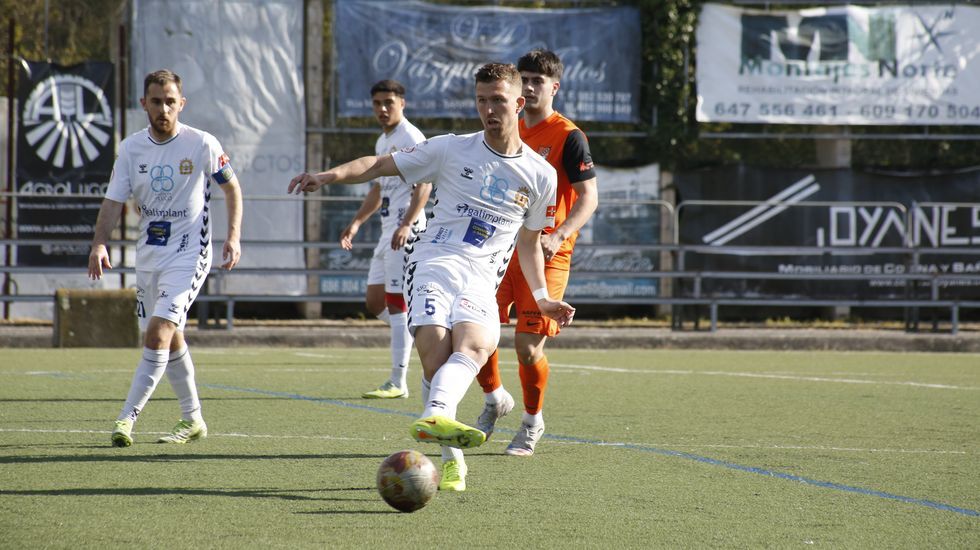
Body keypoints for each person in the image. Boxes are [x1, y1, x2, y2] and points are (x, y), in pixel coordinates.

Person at [289, 63, 574, 491]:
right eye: (481, 100)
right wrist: (327, 176)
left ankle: (438, 413)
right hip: (434, 261)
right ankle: (451, 455)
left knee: (476, 346)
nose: (489, 109)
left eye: (498, 100)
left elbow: (530, 243)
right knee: (435, 355)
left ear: (518, 102)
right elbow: (377, 165)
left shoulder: (541, 175)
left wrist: (541, 297)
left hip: (482, 276)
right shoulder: (450, 148)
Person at [88, 69, 243, 447]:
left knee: (158, 333)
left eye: (170, 101)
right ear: (144, 104)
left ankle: (125, 419)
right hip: (150, 255)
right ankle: (193, 420)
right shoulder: (130, 149)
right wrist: (99, 243)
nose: (163, 109)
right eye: (156, 101)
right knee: (170, 337)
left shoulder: (201, 144)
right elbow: (112, 202)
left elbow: (232, 187)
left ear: (181, 104)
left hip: (191, 254)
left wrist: (233, 236)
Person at [475, 50, 598, 457]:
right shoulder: (506, 128)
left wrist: (559, 234)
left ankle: (532, 422)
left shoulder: (568, 136)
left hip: (545, 254)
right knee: (475, 332)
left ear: (554, 87)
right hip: (499, 249)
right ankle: (494, 399)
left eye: (538, 81)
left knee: (527, 348)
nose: (529, 87)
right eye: (524, 79)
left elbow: (589, 198)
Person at [340, 80, 431, 400]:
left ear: (402, 103)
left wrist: (407, 224)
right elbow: (378, 188)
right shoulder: (384, 141)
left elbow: (424, 186)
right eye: (377, 103)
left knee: (396, 302)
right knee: (375, 302)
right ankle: (419, 337)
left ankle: (398, 380)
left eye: (388, 102)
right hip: (386, 231)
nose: (382, 109)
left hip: (404, 231)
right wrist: (355, 223)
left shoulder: (411, 137)